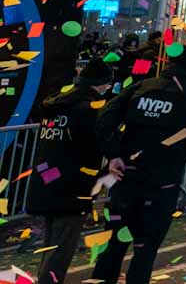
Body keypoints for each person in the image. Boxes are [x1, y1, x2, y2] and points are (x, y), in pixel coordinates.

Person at [94, 45, 186, 284]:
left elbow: (105, 118)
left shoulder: (140, 88)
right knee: (146, 247)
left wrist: (114, 154)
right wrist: (178, 153)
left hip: (126, 178)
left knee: (113, 244)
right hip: (162, 182)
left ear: (167, 62)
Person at [30, 58, 114, 284]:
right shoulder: (90, 110)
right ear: (100, 84)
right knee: (61, 248)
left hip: (46, 180)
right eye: (107, 85)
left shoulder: (55, 105)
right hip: (72, 185)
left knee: (51, 244)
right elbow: (99, 144)